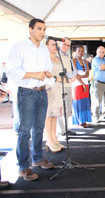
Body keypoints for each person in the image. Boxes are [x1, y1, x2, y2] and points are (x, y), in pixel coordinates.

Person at [6, 18, 55, 181]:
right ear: (30, 29)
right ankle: (23, 166)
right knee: (24, 131)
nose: (42, 32)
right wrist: (34, 74)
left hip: (42, 92)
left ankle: (37, 158)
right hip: (26, 93)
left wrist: (48, 73)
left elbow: (48, 67)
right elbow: (11, 70)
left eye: (44, 29)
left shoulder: (43, 49)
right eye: (39, 29)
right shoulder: (19, 47)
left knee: (39, 129)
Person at [44, 39, 64, 152]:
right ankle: (49, 140)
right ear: (46, 46)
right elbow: (46, 74)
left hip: (58, 88)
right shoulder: (45, 58)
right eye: (52, 44)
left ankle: (54, 138)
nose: (55, 46)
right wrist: (56, 78)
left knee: (55, 115)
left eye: (56, 44)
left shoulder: (58, 57)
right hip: (49, 88)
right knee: (49, 115)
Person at [56, 38, 77, 136]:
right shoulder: (56, 56)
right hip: (59, 86)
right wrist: (69, 76)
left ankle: (66, 129)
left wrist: (71, 77)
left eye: (68, 45)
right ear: (60, 44)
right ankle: (62, 130)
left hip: (68, 85)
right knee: (60, 109)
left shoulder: (68, 57)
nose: (66, 47)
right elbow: (59, 71)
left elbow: (74, 71)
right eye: (65, 44)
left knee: (68, 109)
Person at [72, 45, 92, 127]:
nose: (81, 52)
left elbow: (87, 74)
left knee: (85, 102)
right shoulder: (73, 61)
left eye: (82, 50)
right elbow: (76, 75)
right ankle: (79, 121)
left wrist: (83, 79)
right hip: (77, 84)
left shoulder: (85, 61)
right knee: (78, 102)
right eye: (79, 50)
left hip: (85, 84)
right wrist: (82, 83)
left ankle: (84, 120)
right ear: (76, 52)